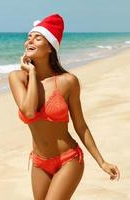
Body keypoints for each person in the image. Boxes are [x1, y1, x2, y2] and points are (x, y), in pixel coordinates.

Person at [8, 13, 120, 200]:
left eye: (37, 37)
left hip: (68, 160)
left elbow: (80, 125)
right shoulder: (18, 78)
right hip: (39, 163)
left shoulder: (68, 81)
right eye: (28, 37)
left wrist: (101, 162)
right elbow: (28, 110)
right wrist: (33, 74)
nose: (29, 41)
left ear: (50, 47)